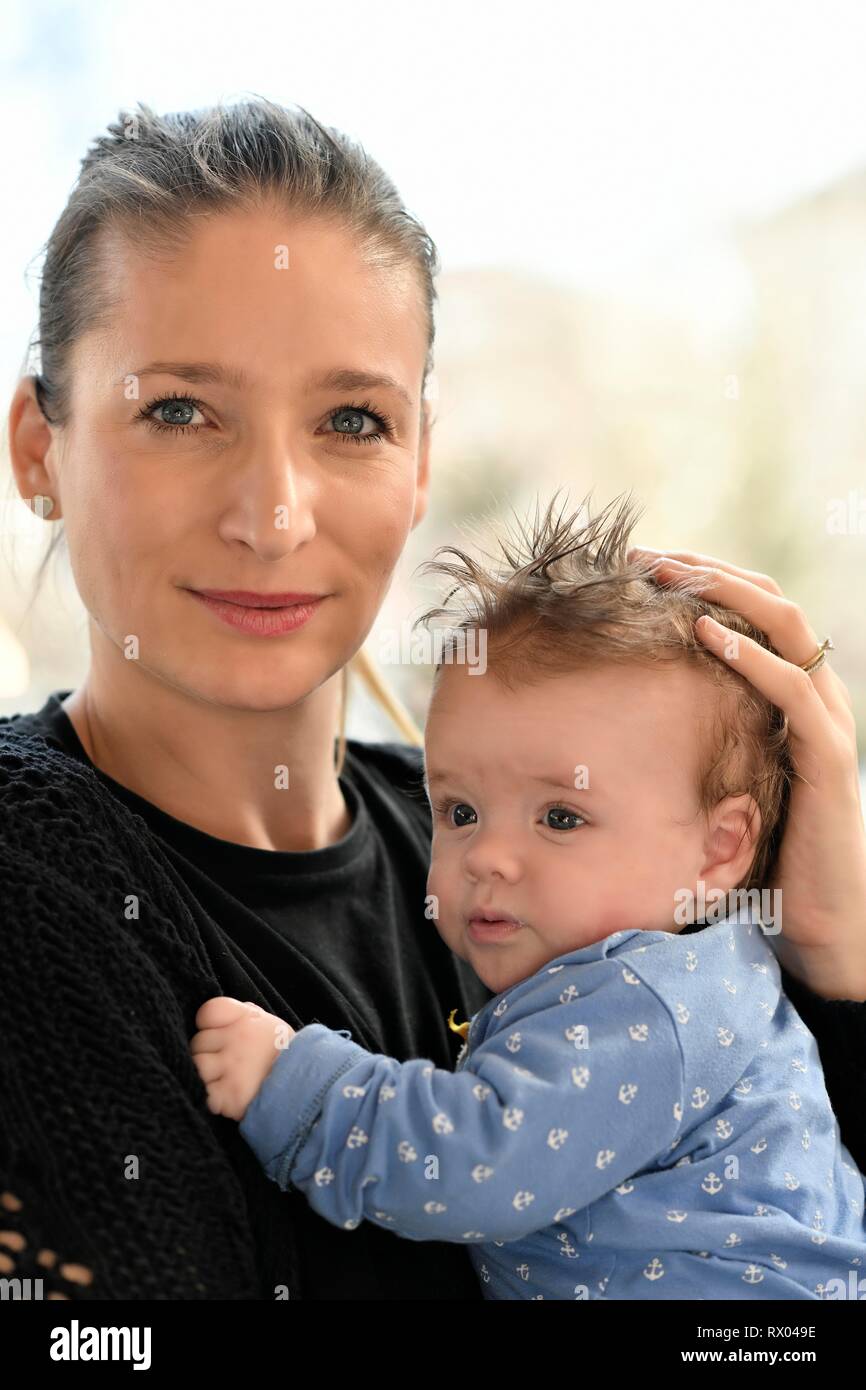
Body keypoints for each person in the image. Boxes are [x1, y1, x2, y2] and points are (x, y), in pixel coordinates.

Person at [1, 98, 865, 1302]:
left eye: (351, 420)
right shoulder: (33, 880)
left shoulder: (542, 847)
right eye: (179, 411)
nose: (274, 514)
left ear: (416, 467)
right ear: (38, 450)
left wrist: (828, 960)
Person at [189, 493, 866, 1300]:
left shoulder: (651, 1002)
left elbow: (476, 1163)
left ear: (719, 848)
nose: (489, 859)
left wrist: (301, 1085)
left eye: (561, 816)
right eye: (461, 811)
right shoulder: (683, 969)